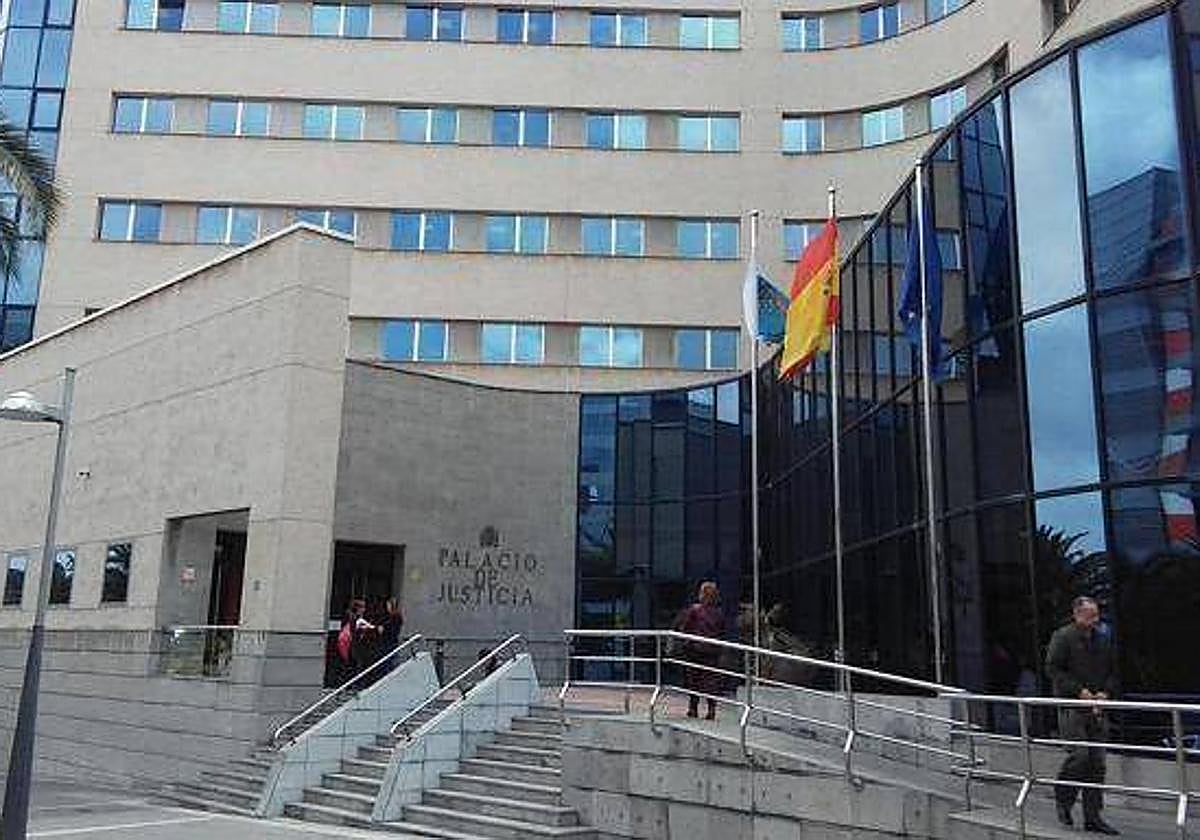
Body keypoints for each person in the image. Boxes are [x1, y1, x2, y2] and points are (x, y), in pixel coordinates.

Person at [1045, 596, 1119, 835]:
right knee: (1080, 755)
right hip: (1073, 707)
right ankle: (1063, 797)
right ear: (1078, 615)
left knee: (1097, 763)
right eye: (1090, 616)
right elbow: (1053, 668)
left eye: (1096, 615)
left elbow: (1112, 670)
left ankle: (1093, 815)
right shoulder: (1063, 637)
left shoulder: (1103, 640)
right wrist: (1078, 691)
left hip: (1097, 708)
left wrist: (1105, 693)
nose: (1095, 620)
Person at [678, 581, 726, 721]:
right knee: (710, 681)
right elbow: (722, 632)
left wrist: (686, 643)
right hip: (712, 652)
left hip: (696, 651)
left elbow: (685, 628)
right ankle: (711, 710)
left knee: (694, 680)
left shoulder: (695, 610)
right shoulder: (719, 613)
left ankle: (693, 709)